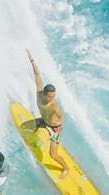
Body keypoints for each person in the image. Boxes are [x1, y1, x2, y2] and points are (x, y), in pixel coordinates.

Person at [28, 50, 70, 179]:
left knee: (53, 154)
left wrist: (56, 130)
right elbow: (37, 74)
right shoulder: (39, 92)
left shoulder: (54, 107)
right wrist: (32, 60)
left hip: (54, 128)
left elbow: (61, 117)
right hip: (44, 121)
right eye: (50, 96)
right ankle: (36, 130)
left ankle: (66, 168)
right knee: (25, 126)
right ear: (45, 94)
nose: (52, 99)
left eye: (54, 96)